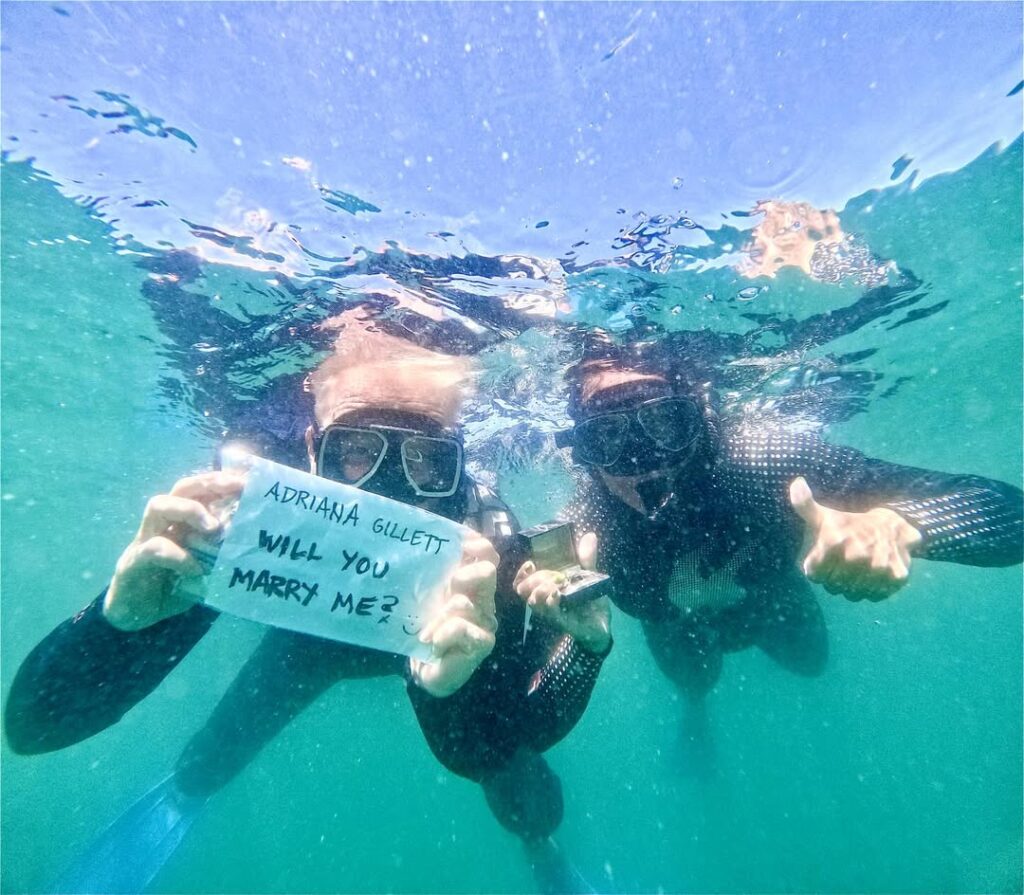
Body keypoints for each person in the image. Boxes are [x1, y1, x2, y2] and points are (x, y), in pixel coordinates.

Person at [4, 312, 612, 894]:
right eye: (358, 451)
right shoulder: (260, 516)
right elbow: (36, 727)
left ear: (458, 461)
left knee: (527, 802)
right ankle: (186, 791)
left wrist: (465, 686)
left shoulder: (483, 538)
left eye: (427, 459)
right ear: (313, 450)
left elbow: (505, 741)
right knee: (213, 755)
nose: (392, 489)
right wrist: (121, 625)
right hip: (309, 643)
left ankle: (541, 847)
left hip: (421, 647)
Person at [554, 331, 1022, 774]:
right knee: (694, 683)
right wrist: (574, 630)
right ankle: (695, 711)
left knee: (811, 663)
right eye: (606, 437)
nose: (641, 458)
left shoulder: (763, 460)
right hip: (674, 623)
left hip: (769, 599)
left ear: (698, 419)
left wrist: (900, 524)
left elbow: (1011, 515)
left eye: (663, 422)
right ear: (581, 452)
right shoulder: (583, 527)